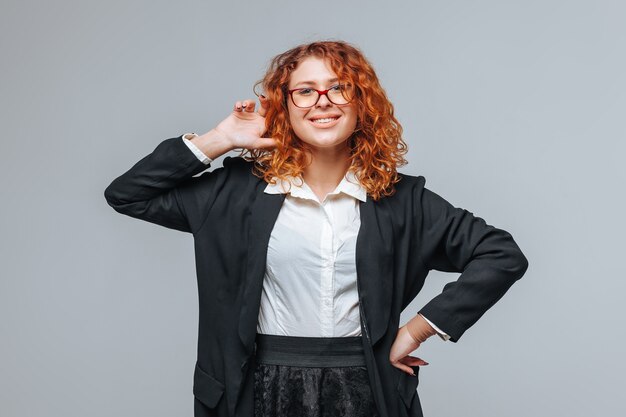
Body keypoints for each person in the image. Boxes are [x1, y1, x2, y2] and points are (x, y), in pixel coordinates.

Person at [104, 40, 529, 417]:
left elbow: (501, 255)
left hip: (366, 387)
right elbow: (128, 194)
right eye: (305, 91)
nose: (321, 101)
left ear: (362, 102)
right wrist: (221, 138)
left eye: (338, 87)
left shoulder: (402, 200)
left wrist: (418, 329)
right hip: (254, 389)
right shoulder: (234, 192)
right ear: (285, 106)